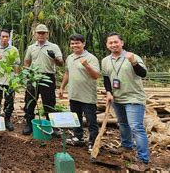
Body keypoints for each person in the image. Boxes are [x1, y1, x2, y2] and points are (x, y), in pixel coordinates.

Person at [101, 32, 149, 171]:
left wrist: (133, 62)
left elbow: (143, 74)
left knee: (136, 127)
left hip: (133, 98)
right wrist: (109, 92)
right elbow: (106, 78)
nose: (113, 45)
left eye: (116, 42)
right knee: (122, 124)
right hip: (117, 98)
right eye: (110, 43)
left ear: (122, 43)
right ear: (107, 45)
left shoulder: (132, 56)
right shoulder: (105, 60)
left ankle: (143, 160)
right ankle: (126, 147)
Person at [59, 34, 100, 152]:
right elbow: (67, 73)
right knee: (75, 117)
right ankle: (78, 137)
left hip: (87, 95)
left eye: (77, 43)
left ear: (83, 44)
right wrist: (62, 87)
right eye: (72, 43)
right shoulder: (70, 57)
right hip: (74, 94)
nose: (74, 45)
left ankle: (93, 142)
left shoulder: (91, 58)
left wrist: (86, 65)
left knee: (91, 120)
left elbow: (96, 75)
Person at [22, 24, 63, 136]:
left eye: (43, 33)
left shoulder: (54, 47)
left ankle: (51, 126)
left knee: (49, 102)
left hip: (48, 76)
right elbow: (27, 61)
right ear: (35, 34)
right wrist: (27, 72)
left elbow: (60, 63)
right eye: (38, 33)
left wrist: (53, 56)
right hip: (34, 76)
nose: (41, 35)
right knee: (30, 101)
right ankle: (29, 124)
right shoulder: (31, 47)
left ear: (47, 34)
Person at [0, 29, 20, 131]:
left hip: (9, 81)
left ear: (9, 38)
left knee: (9, 102)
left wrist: (16, 79)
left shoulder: (14, 50)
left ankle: (7, 120)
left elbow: (16, 65)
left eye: (7, 37)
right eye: (3, 36)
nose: (5, 38)